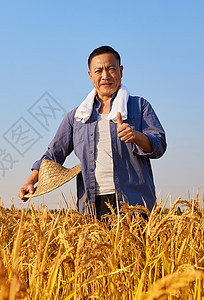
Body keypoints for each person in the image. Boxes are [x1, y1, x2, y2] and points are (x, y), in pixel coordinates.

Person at [18, 46, 166, 218]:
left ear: (121, 71)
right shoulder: (77, 117)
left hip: (134, 203)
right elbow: (53, 155)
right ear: (90, 75)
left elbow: (159, 145)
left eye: (111, 69)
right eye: (98, 71)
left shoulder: (139, 107)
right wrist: (30, 182)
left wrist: (137, 136)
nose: (105, 76)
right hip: (92, 204)